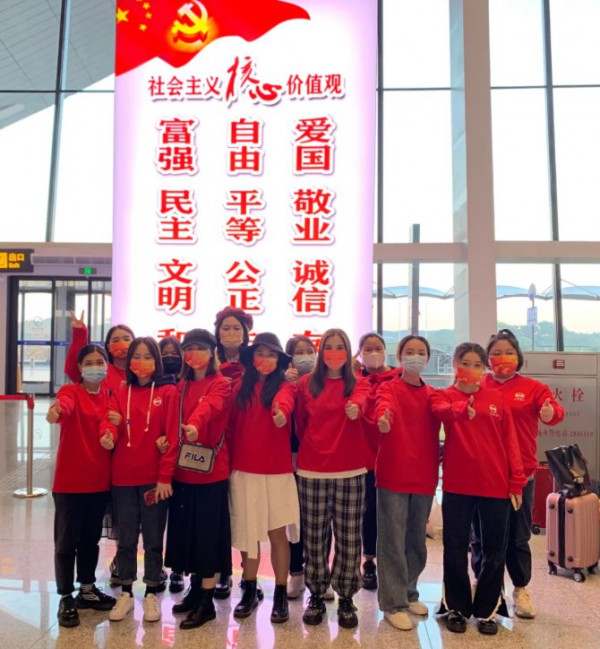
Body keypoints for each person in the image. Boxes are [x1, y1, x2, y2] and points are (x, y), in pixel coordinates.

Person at [431, 342, 526, 636]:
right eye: (465, 363)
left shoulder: (497, 399)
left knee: (494, 550)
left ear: (484, 368)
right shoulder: (444, 396)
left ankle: (487, 610)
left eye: (476, 365)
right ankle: (456, 607)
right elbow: (440, 411)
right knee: (455, 547)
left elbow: (510, 442)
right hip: (457, 485)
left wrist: (516, 481)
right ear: (455, 365)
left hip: (495, 485)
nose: (470, 369)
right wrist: (461, 408)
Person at [472, 329, 565, 619]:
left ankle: (521, 589)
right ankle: (485, 586)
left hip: (521, 474)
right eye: (496, 353)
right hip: (484, 475)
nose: (502, 358)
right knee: (482, 536)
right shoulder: (477, 384)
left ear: (518, 356)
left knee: (518, 536)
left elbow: (555, 411)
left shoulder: (533, 387)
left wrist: (550, 413)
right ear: (487, 358)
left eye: (509, 352)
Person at [295, 328, 370, 629]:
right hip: (312, 470)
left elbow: (362, 402)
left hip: (350, 471)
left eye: (340, 347)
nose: (334, 352)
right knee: (314, 538)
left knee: (349, 539)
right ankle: (316, 593)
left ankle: (346, 597)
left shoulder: (358, 384)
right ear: (320, 351)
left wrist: (356, 408)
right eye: (329, 346)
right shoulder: (306, 384)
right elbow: (300, 423)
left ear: (348, 351)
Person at [100, 337, 179, 623]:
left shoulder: (168, 392)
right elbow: (111, 420)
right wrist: (109, 433)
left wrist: (164, 477)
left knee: (154, 538)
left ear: (157, 361)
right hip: (123, 478)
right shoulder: (121, 391)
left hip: (153, 480)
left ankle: (152, 591)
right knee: (126, 537)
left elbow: (172, 437)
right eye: (137, 356)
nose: (142, 362)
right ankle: (125, 592)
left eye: (148, 357)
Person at [228, 333, 299, 624]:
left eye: (272, 355)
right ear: (252, 358)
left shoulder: (285, 387)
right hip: (244, 471)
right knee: (248, 534)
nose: (265, 360)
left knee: (277, 535)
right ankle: (249, 589)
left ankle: (280, 593)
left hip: (277, 472)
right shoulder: (239, 389)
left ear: (279, 360)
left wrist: (281, 412)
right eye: (261, 353)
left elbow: (286, 401)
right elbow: (230, 428)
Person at [164, 329, 232, 629]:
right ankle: (194, 591)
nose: (194, 353)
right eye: (189, 348)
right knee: (188, 535)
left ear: (212, 352)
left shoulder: (221, 384)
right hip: (183, 471)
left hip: (211, 473)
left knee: (209, 536)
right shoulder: (180, 386)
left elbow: (210, 407)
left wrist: (193, 425)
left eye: (201, 348)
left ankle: (207, 600)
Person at [47, 344, 116, 628]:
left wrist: (109, 435)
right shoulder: (71, 391)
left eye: (100, 361)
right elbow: (64, 406)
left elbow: (109, 422)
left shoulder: (110, 395)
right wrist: (57, 411)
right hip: (70, 483)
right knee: (66, 542)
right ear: (79, 367)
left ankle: (87, 589)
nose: (94, 366)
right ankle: (66, 595)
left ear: (107, 365)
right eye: (88, 362)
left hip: (98, 482)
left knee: (90, 540)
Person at [374, 335, 441, 630]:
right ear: (399, 356)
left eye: (420, 352)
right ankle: (393, 603)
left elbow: (447, 412)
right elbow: (382, 405)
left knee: (415, 540)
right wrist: (383, 418)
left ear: (427, 358)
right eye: (409, 351)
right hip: (394, 474)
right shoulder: (389, 388)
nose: (415, 356)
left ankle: (410, 591)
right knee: (392, 540)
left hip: (424, 475)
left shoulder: (432, 394)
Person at [284, 335, 335, 602]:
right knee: (293, 520)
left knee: (320, 522)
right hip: (286, 460)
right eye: (298, 352)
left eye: (309, 351)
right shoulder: (282, 382)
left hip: (316, 460)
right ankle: (296, 572)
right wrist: (286, 385)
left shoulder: (323, 382)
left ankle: (320, 573)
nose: (305, 356)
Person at [212, 306, 253, 597]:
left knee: (244, 513)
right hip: (214, 440)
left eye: (236, 328)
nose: (230, 333)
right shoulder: (208, 359)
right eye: (225, 328)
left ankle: (248, 575)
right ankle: (222, 571)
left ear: (245, 333)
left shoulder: (254, 360)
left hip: (245, 439)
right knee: (218, 512)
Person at [354, 331, 397, 590]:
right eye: (367, 349)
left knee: (392, 512)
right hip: (363, 455)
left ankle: (391, 562)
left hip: (393, 454)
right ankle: (368, 561)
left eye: (377, 348)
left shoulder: (399, 378)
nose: (373, 353)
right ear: (359, 353)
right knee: (368, 511)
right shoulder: (355, 379)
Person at [157, 335, 185, 594]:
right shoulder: (153, 385)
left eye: (174, 354)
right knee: (155, 521)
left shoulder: (188, 382)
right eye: (164, 354)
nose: (169, 358)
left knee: (180, 518)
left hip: (187, 461)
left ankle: (179, 568)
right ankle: (160, 567)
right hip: (160, 460)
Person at [64, 310, 134, 394]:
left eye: (126, 339)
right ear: (108, 347)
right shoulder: (101, 370)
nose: (122, 343)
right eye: (115, 340)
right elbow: (75, 372)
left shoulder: (140, 372)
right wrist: (80, 334)